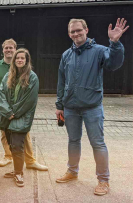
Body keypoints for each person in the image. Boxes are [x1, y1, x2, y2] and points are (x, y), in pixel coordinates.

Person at [55, 18, 129, 196]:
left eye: (79, 30)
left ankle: (103, 180)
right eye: (72, 31)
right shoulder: (66, 55)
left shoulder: (99, 51)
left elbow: (114, 64)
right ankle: (72, 172)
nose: (76, 34)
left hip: (92, 107)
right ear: (69, 34)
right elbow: (61, 81)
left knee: (98, 143)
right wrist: (59, 105)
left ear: (86, 30)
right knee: (73, 141)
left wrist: (115, 43)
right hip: (71, 107)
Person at [0, 39, 48, 171]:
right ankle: (8, 156)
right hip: (1, 105)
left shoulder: (27, 72)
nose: (9, 50)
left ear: (15, 50)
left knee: (23, 133)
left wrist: (13, 111)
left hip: (18, 109)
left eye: (11, 48)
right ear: (3, 49)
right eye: (6, 48)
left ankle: (30, 160)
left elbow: (29, 98)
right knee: (4, 132)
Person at [0, 48, 39, 187]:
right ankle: (16, 170)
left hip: (21, 116)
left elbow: (29, 100)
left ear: (27, 61)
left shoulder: (32, 77)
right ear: (14, 60)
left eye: (23, 58)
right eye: (17, 58)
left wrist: (13, 112)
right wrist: (7, 112)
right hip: (7, 116)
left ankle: (19, 173)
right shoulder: (8, 76)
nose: (20, 60)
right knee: (11, 144)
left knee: (17, 145)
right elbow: (1, 95)